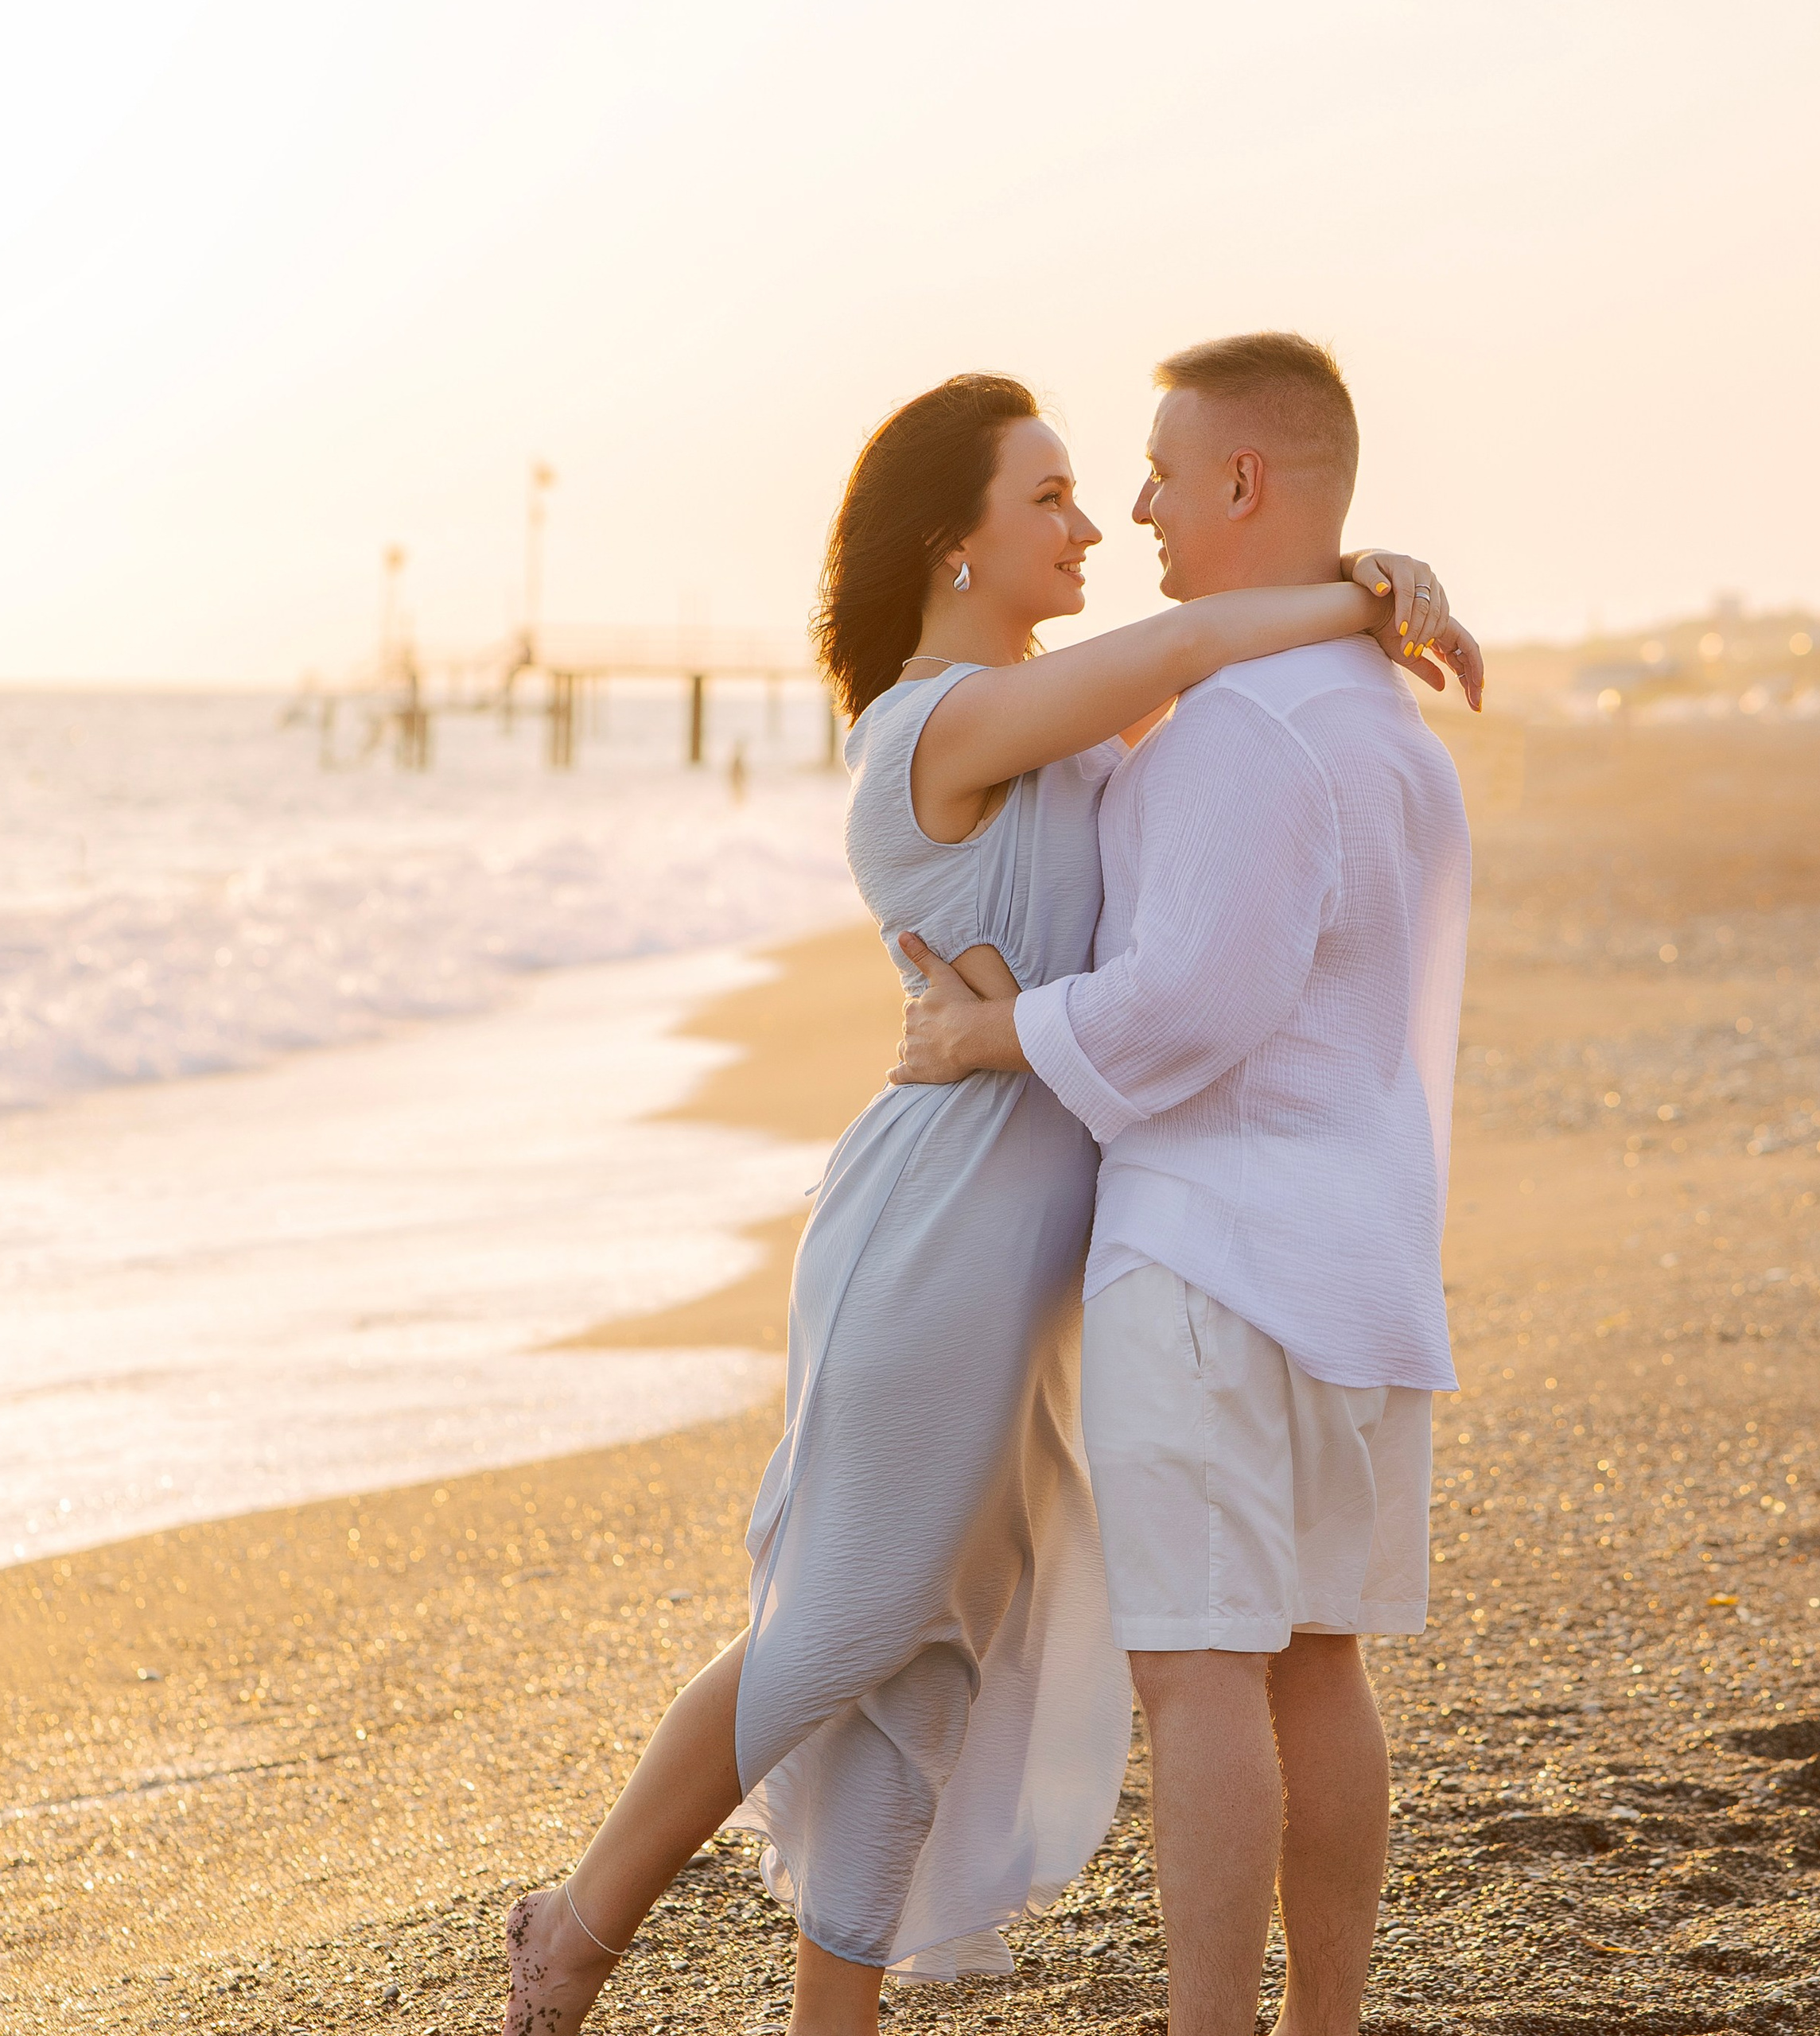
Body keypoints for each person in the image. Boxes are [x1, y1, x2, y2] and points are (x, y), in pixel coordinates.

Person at [503, 367, 1477, 2036]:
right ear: (951, 544)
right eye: (1050, 497)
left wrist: (1366, 579)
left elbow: (1217, 744)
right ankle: (577, 1924)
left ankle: (831, 2018)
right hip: (935, 1227)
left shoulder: (1079, 735)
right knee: (851, 1615)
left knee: (939, 1642)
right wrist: (1363, 592)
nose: (1093, 524)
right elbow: (1198, 643)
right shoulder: (936, 728)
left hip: (1038, 1246)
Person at [893, 333, 1476, 2036]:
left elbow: (1189, 1004)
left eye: (1159, 473)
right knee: (1315, 1661)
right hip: (1361, 1261)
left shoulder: (1248, 729)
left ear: (1242, 480)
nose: (1137, 508)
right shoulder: (1380, 719)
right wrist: (1369, 588)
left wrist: (990, 1034)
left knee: (1200, 1671)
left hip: (1218, 1264)